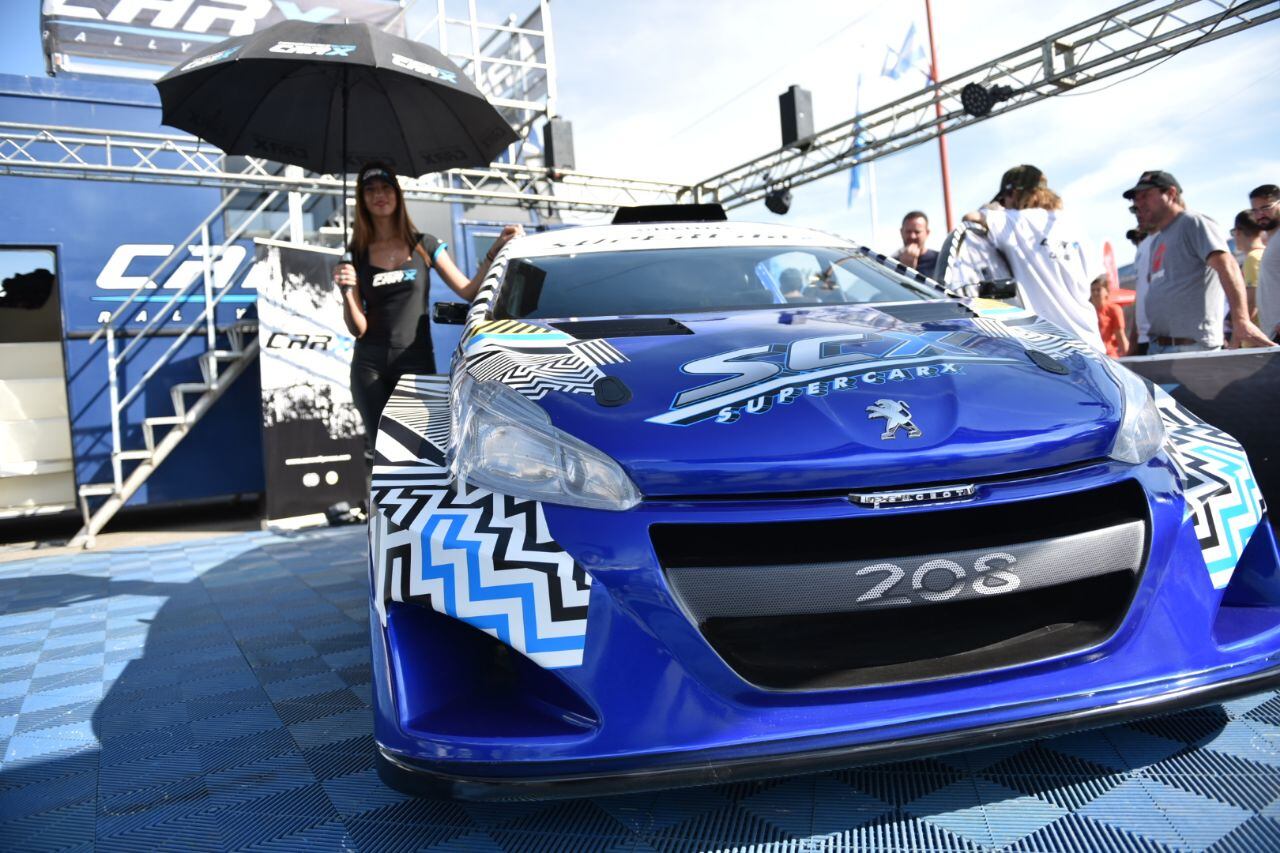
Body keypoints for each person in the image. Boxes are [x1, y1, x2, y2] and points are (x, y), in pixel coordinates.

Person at [333, 162, 523, 459]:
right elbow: (358, 328)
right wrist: (346, 290)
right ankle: (381, 507)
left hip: (415, 363)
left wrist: (494, 249)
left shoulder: (424, 244)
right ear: (362, 200)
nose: (379, 195)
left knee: (420, 455)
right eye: (370, 190)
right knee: (383, 457)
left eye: (385, 188)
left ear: (397, 195)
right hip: (369, 368)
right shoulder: (354, 255)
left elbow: (469, 290)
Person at [1124, 170, 1272, 352]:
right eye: (1136, 199)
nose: (1139, 203)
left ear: (1171, 194)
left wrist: (1241, 320)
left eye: (1145, 195)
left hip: (1191, 347)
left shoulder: (1193, 223)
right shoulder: (1157, 240)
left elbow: (1228, 266)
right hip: (1159, 347)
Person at [963, 164, 1104, 351]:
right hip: (1091, 342)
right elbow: (1097, 279)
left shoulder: (1014, 221)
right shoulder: (1073, 224)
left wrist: (992, 209)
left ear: (1012, 194)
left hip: (1053, 346)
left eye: (1005, 199)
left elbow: (970, 218)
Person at [1250, 184, 1280, 342]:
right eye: (1255, 210)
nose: (1260, 215)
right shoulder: (1273, 240)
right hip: (1272, 334)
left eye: (1266, 207)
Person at [1231, 210, 1265, 325]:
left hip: (1255, 337)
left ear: (1238, 231)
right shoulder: (1266, 254)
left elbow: (1251, 301)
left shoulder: (1252, 258)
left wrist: (1237, 333)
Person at [1090, 275, 1128, 358]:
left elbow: (1120, 336)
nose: (1095, 293)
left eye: (1098, 290)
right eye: (1092, 290)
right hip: (1091, 354)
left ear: (1106, 291)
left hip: (1109, 356)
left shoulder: (1114, 309)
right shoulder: (1087, 310)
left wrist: (1127, 358)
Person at [893, 211, 940, 278]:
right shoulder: (892, 263)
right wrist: (903, 269)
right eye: (908, 232)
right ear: (901, 232)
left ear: (927, 233)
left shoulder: (939, 260)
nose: (912, 236)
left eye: (917, 232)